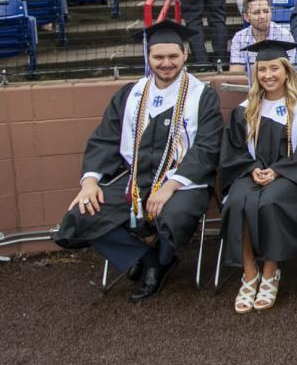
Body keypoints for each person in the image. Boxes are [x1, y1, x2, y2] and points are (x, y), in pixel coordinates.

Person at [54, 21, 223, 301]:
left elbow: (207, 147)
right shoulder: (131, 93)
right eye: (158, 57)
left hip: (182, 180)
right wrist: (91, 181)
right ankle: (148, 259)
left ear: (185, 54)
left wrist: (169, 187)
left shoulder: (201, 95)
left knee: (175, 214)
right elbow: (105, 138)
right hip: (133, 177)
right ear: (148, 57)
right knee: (82, 213)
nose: (166, 63)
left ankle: (165, 257)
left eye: (173, 56)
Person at [219, 39, 297, 313]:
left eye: (274, 68)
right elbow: (233, 151)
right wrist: (251, 169)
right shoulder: (245, 109)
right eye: (262, 69)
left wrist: (278, 171)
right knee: (236, 201)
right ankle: (249, 272)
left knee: (270, 202)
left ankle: (270, 271)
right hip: (250, 173)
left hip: (291, 177)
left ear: (286, 71)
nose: (268, 75)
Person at [230, 0, 297, 74]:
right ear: (246, 17)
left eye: (266, 11)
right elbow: (236, 74)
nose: (262, 16)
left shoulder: (284, 35)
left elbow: (291, 73)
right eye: (257, 12)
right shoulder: (239, 38)